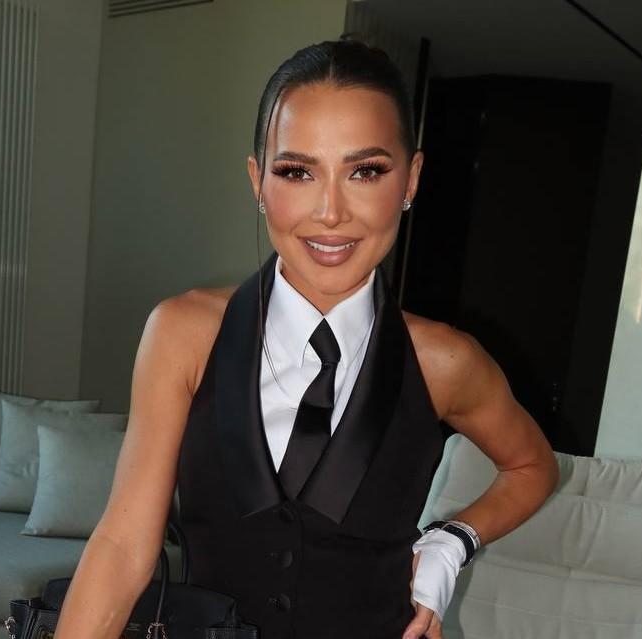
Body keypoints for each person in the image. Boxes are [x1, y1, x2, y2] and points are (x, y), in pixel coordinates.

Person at [53, 39, 558, 639]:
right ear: (258, 181)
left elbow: (533, 466)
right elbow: (122, 544)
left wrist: (453, 541)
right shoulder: (184, 334)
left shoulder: (443, 361)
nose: (330, 212)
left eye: (365, 171)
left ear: (411, 179)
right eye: (297, 171)